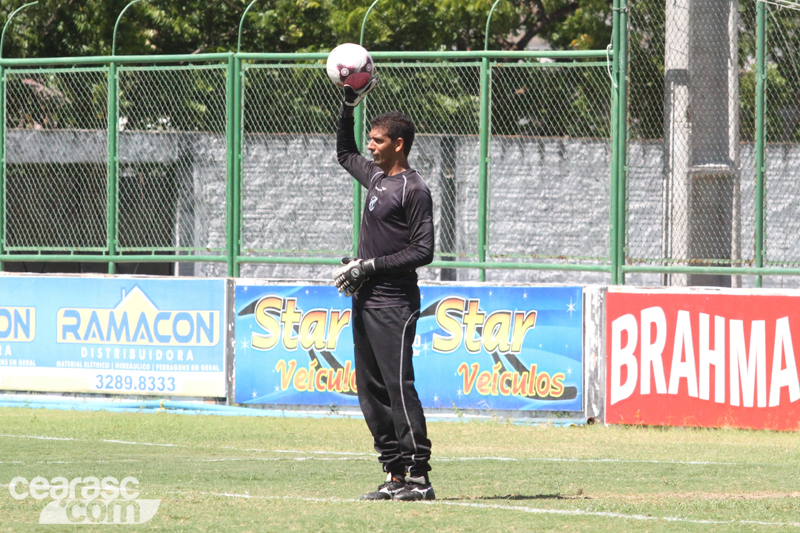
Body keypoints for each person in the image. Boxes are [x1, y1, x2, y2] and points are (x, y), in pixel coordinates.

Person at [333, 76, 435, 501]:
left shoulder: (415, 189)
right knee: (371, 391)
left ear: (399, 144)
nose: (370, 146)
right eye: (370, 139)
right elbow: (344, 152)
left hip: (395, 303)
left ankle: (419, 478)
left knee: (398, 386)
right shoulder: (376, 179)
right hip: (366, 300)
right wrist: (349, 105)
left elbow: (423, 251)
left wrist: (369, 266)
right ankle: (394, 474)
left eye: (377, 140)